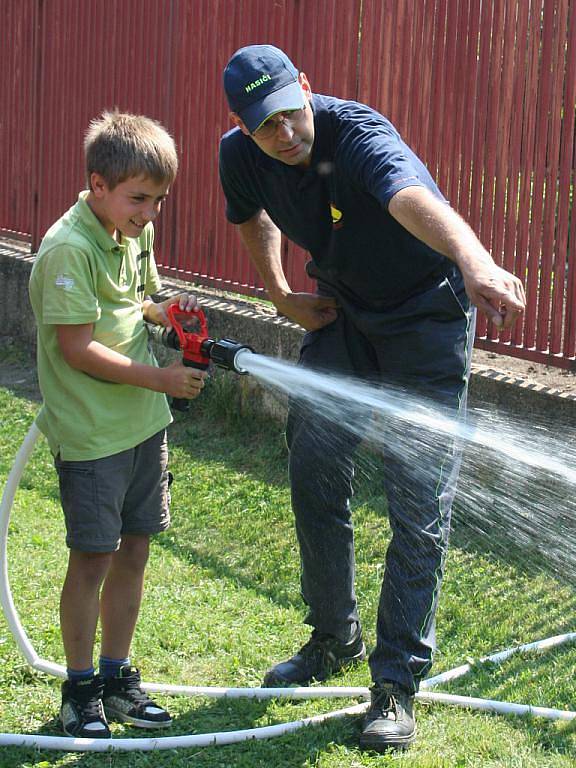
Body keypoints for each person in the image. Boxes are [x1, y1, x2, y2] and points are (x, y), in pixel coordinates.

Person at [219, 45, 526, 752]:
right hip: (347, 313)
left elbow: (409, 197)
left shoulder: (358, 135)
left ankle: (395, 681)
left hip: (426, 315)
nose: (287, 133)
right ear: (242, 124)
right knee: (314, 460)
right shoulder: (239, 156)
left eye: (292, 113)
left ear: (306, 85)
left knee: (417, 501)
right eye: (267, 126)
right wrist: (275, 291)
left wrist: (473, 258)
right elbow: (249, 214)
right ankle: (333, 635)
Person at [29, 111, 206, 739]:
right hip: (93, 434)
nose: (149, 213)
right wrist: (160, 378)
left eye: (158, 201)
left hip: (140, 426)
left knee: (134, 549)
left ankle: (116, 676)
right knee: (93, 559)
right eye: (139, 199)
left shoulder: (132, 234)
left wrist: (168, 312)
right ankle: (80, 691)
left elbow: (140, 302)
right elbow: (77, 349)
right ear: (97, 185)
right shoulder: (68, 249)